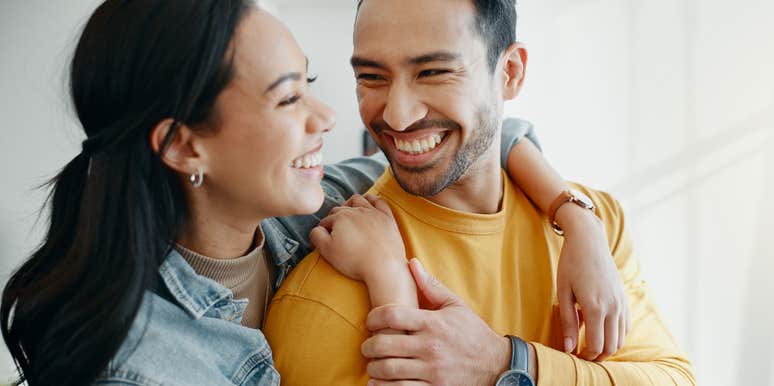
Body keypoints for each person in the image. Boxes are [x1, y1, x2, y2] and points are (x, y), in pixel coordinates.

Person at [1, 1, 626, 385]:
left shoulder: (301, 208)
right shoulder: (144, 370)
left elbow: (494, 135)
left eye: (313, 83)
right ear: (185, 147)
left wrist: (580, 223)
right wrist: (388, 276)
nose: (326, 116)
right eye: (287, 97)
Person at [263, 0, 696, 385]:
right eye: (372, 77)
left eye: (432, 72)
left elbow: (673, 378)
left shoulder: (594, 224)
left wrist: (508, 363)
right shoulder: (324, 300)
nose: (397, 115)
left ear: (510, 72)